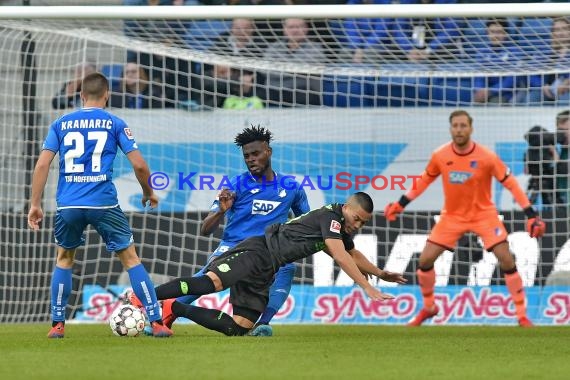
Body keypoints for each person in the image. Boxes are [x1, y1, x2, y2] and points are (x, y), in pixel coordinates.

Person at [131, 192, 406, 336]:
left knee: (239, 327)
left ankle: (174, 307)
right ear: (347, 207)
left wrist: (380, 273)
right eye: (356, 218)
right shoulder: (330, 217)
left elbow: (352, 253)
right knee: (210, 283)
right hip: (258, 252)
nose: (357, 225)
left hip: (267, 269)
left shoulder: (339, 228)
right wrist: (365, 287)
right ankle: (143, 297)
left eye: (363, 223)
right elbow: (340, 255)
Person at [27, 72, 173, 338]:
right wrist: (148, 192)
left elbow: (42, 165)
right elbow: (139, 165)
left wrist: (35, 204)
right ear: (107, 95)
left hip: (69, 204)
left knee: (64, 259)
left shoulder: (60, 123)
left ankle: (57, 325)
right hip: (103, 202)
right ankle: (157, 322)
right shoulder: (115, 122)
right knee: (131, 260)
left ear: (81, 95)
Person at [384, 109, 546, 327]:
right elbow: (423, 181)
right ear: (450, 128)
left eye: (463, 125)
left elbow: (511, 184)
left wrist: (531, 215)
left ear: (471, 128)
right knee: (424, 261)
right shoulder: (440, 155)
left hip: (484, 215)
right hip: (452, 217)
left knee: (506, 258)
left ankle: (521, 315)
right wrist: (400, 204)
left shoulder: (486, 156)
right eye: (455, 126)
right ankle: (430, 307)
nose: (459, 130)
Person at [157, 125, 310, 337]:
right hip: (232, 249)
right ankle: (161, 314)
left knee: (287, 268)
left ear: (269, 152)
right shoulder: (235, 185)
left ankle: (262, 325)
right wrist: (220, 211)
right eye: (246, 156)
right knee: (205, 282)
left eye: (255, 154)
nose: (251, 159)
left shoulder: (291, 187)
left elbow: (306, 221)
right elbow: (205, 229)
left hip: (266, 253)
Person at [555, 110, 570, 205]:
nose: (562, 134)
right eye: (559, 130)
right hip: (562, 200)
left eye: (565, 130)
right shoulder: (562, 150)